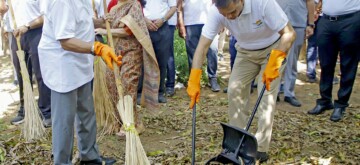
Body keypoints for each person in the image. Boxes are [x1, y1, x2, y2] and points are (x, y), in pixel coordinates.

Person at [186, 0, 296, 162]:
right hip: (245, 51)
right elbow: (202, 47)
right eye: (225, 15)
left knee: (265, 96)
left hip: (272, 49)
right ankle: (237, 144)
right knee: (234, 90)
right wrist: (194, 78)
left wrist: (276, 60)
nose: (230, 17)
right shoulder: (217, 12)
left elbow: (289, 33)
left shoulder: (263, 3)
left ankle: (260, 148)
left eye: (232, 12)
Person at [38, 0, 121, 164]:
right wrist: (97, 48)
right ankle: (62, 162)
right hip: (63, 67)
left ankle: (89, 156)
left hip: (81, 62)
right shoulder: (61, 2)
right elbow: (65, 40)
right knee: (64, 120)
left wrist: (98, 22)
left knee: (86, 111)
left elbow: (78, 20)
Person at [95, 0, 160, 136]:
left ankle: (134, 124)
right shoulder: (112, 4)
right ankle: (118, 121)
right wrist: (103, 21)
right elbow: (106, 23)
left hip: (131, 50)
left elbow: (128, 31)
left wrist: (105, 31)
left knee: (127, 84)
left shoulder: (134, 5)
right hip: (114, 51)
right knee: (111, 84)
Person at [308, 0, 360, 122]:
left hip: (350, 20)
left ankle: (341, 104)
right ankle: (325, 100)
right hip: (326, 21)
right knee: (325, 63)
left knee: (348, 64)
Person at [3, 0, 52, 127]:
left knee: (40, 73)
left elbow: (45, 16)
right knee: (22, 75)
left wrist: (27, 26)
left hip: (36, 33)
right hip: (16, 34)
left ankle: (46, 112)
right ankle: (25, 109)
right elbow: (4, 9)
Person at [276, 0, 315, 107]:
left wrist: (310, 24)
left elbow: (310, 2)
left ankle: (289, 93)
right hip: (277, 24)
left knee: (292, 61)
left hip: (298, 23)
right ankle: (274, 92)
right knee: (276, 59)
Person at [177, 0, 221, 92]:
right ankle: (194, 81)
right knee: (192, 54)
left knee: (213, 50)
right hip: (190, 23)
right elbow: (179, 7)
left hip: (210, 22)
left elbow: (217, 3)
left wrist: (221, 22)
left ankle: (212, 78)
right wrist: (181, 24)